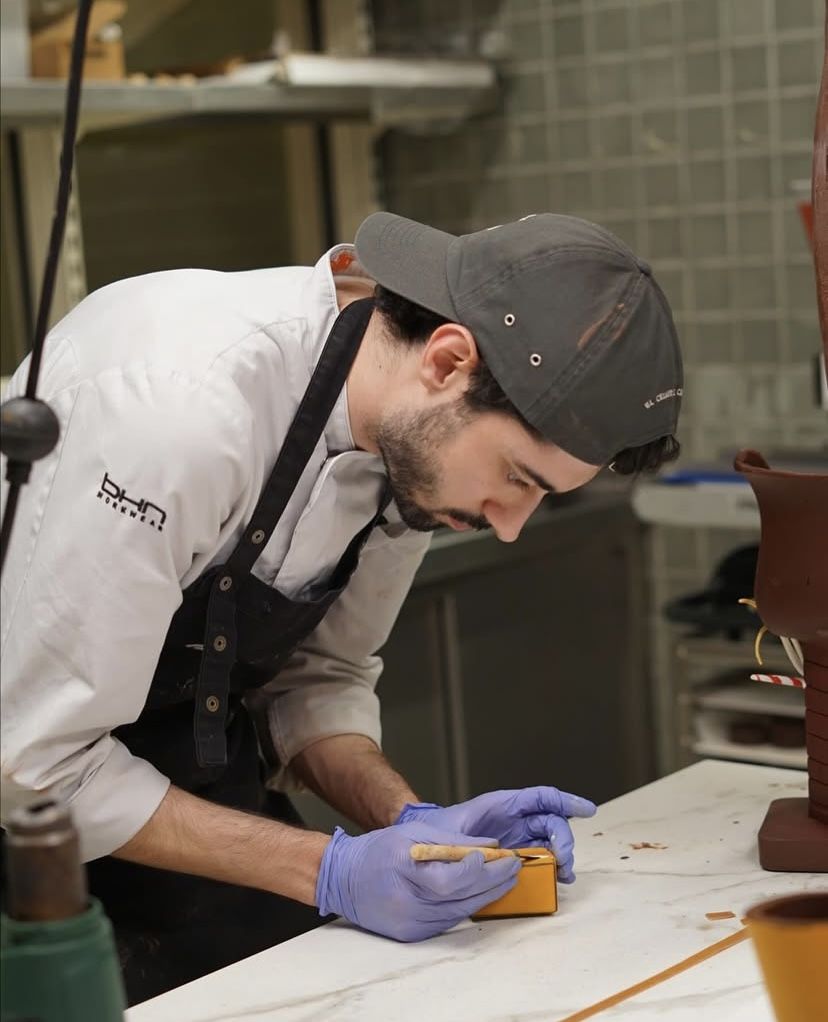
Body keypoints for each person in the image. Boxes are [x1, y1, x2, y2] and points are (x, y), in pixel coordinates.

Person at [0, 212, 682, 1004]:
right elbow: (34, 767)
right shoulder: (176, 411)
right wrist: (329, 869)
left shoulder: (411, 443)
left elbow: (319, 679)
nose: (507, 524)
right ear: (448, 359)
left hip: (182, 790)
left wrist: (411, 821)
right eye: (517, 477)